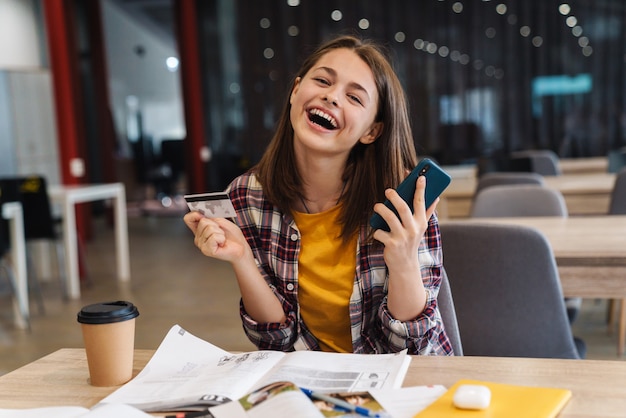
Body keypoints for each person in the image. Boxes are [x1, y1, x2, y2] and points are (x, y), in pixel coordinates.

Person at [184, 34, 452, 355]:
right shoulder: (247, 196)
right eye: (323, 81)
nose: (332, 97)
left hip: (404, 381)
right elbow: (275, 341)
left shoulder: (402, 202)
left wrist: (405, 260)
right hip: (310, 385)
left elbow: (410, 345)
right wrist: (242, 259)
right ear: (296, 91)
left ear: (372, 131)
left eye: (354, 98)